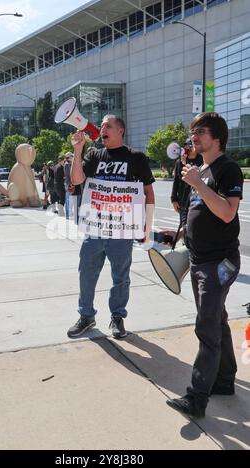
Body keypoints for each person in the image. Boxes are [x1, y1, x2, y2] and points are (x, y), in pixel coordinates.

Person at [163, 112, 244, 418]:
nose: (193, 136)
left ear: (217, 137)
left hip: (219, 263)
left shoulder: (228, 169)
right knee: (217, 322)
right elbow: (204, 213)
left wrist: (197, 182)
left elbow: (226, 213)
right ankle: (223, 381)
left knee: (206, 328)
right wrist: (182, 232)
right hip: (199, 260)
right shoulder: (203, 169)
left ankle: (197, 398)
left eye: (201, 131)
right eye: (192, 131)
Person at [67, 115, 155, 339]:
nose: (102, 128)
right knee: (86, 273)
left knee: (121, 277)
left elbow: (148, 192)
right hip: (95, 228)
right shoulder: (95, 155)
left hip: (122, 231)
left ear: (121, 130)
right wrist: (78, 151)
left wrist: (148, 225)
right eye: (102, 125)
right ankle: (86, 316)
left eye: (108, 126)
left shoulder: (136, 157)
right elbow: (76, 180)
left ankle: (117, 317)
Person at [170, 141, 203, 225]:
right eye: (186, 147)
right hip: (183, 198)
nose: (188, 148)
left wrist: (185, 164)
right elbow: (177, 180)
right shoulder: (179, 161)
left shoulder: (202, 159)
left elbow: (196, 176)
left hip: (197, 198)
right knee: (184, 224)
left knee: (196, 224)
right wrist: (174, 199)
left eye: (190, 146)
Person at [64, 152, 74, 219]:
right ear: (69, 157)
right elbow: (68, 175)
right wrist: (71, 184)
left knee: (68, 199)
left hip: (68, 183)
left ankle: (67, 214)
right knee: (68, 199)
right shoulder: (68, 164)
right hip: (69, 184)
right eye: (72, 156)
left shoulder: (67, 163)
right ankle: (67, 215)